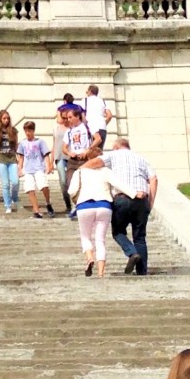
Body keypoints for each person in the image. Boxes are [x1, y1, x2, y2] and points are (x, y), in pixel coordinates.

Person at [105, 137, 158, 275]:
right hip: (142, 200)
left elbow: (97, 162)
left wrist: (82, 167)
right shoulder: (141, 159)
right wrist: (151, 202)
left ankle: (132, 253)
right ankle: (142, 271)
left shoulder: (112, 155)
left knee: (118, 232)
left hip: (122, 199)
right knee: (140, 237)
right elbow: (153, 179)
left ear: (116, 147)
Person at [69, 150, 116, 275]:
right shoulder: (106, 171)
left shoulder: (79, 172)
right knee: (100, 240)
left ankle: (90, 258)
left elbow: (71, 191)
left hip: (84, 206)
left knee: (85, 237)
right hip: (104, 205)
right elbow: (115, 188)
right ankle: (101, 272)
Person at [18, 121, 55, 219]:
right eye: (26, 131)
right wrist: (20, 168)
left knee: (43, 186)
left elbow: (46, 155)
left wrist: (48, 166)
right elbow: (21, 157)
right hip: (28, 169)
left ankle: (48, 202)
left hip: (38, 167)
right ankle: (36, 210)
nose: (27, 133)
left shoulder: (40, 142)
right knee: (30, 188)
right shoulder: (22, 143)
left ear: (33, 131)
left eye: (29, 131)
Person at [0, 110, 21, 214]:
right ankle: (8, 205)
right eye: (4, 118)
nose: (6, 120)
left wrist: (19, 158)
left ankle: (14, 198)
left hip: (12, 158)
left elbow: (16, 146)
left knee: (15, 181)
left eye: (8, 118)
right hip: (0, 159)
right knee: (5, 184)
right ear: (0, 119)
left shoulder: (13, 131)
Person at [84, 83, 114, 148]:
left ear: (90, 91)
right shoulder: (102, 101)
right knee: (99, 151)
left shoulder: (84, 101)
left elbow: (80, 114)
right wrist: (104, 123)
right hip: (102, 128)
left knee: (90, 152)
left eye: (87, 92)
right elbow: (109, 115)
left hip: (91, 128)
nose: (86, 93)